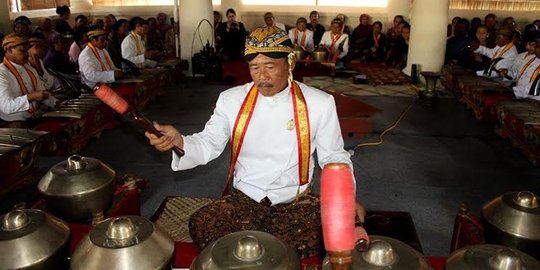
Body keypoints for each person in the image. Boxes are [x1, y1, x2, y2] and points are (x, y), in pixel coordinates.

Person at [144, 25, 366, 259]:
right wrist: (180, 141)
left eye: (270, 67)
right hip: (245, 200)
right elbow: (208, 142)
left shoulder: (319, 102)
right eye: (254, 67)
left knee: (335, 227)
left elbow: (334, 156)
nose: (262, 76)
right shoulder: (231, 100)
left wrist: (346, 198)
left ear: (290, 63)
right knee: (203, 222)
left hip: (296, 201)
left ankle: (258, 248)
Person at [0, 34, 57, 123]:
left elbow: (42, 92)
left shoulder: (29, 68)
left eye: (27, 50)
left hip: (35, 116)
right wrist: (31, 97)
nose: (27, 54)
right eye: (22, 51)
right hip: (14, 123)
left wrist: (55, 103)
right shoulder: (2, 72)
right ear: (10, 49)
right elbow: (6, 106)